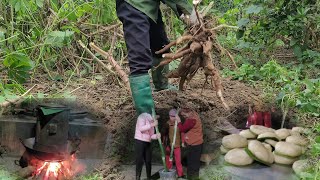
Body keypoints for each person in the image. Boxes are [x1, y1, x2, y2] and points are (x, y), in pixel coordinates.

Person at [115, 0, 193, 115]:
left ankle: (162, 86)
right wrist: (191, 14)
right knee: (139, 59)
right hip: (132, 5)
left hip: (149, 6)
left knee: (161, 46)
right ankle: (145, 114)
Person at [176, 105, 203, 179]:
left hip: (195, 145)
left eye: (184, 115)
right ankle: (190, 177)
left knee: (193, 165)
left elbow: (182, 129)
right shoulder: (193, 115)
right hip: (193, 144)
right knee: (191, 163)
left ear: (188, 113)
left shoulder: (192, 120)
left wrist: (178, 121)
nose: (184, 117)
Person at [134, 113, 161, 180]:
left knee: (148, 160)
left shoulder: (152, 121)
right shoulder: (142, 116)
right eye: (156, 116)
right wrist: (152, 124)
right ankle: (137, 177)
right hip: (140, 140)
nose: (157, 118)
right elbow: (141, 129)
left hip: (148, 142)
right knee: (139, 160)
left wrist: (156, 136)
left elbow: (151, 135)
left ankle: (149, 177)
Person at [162, 109, 184, 177]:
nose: (172, 117)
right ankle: (169, 174)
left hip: (177, 145)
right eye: (170, 116)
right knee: (169, 161)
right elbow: (163, 134)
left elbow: (182, 133)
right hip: (169, 145)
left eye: (173, 116)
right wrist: (163, 142)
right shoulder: (167, 123)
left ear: (176, 116)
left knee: (178, 161)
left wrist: (183, 142)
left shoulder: (179, 124)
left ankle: (180, 174)